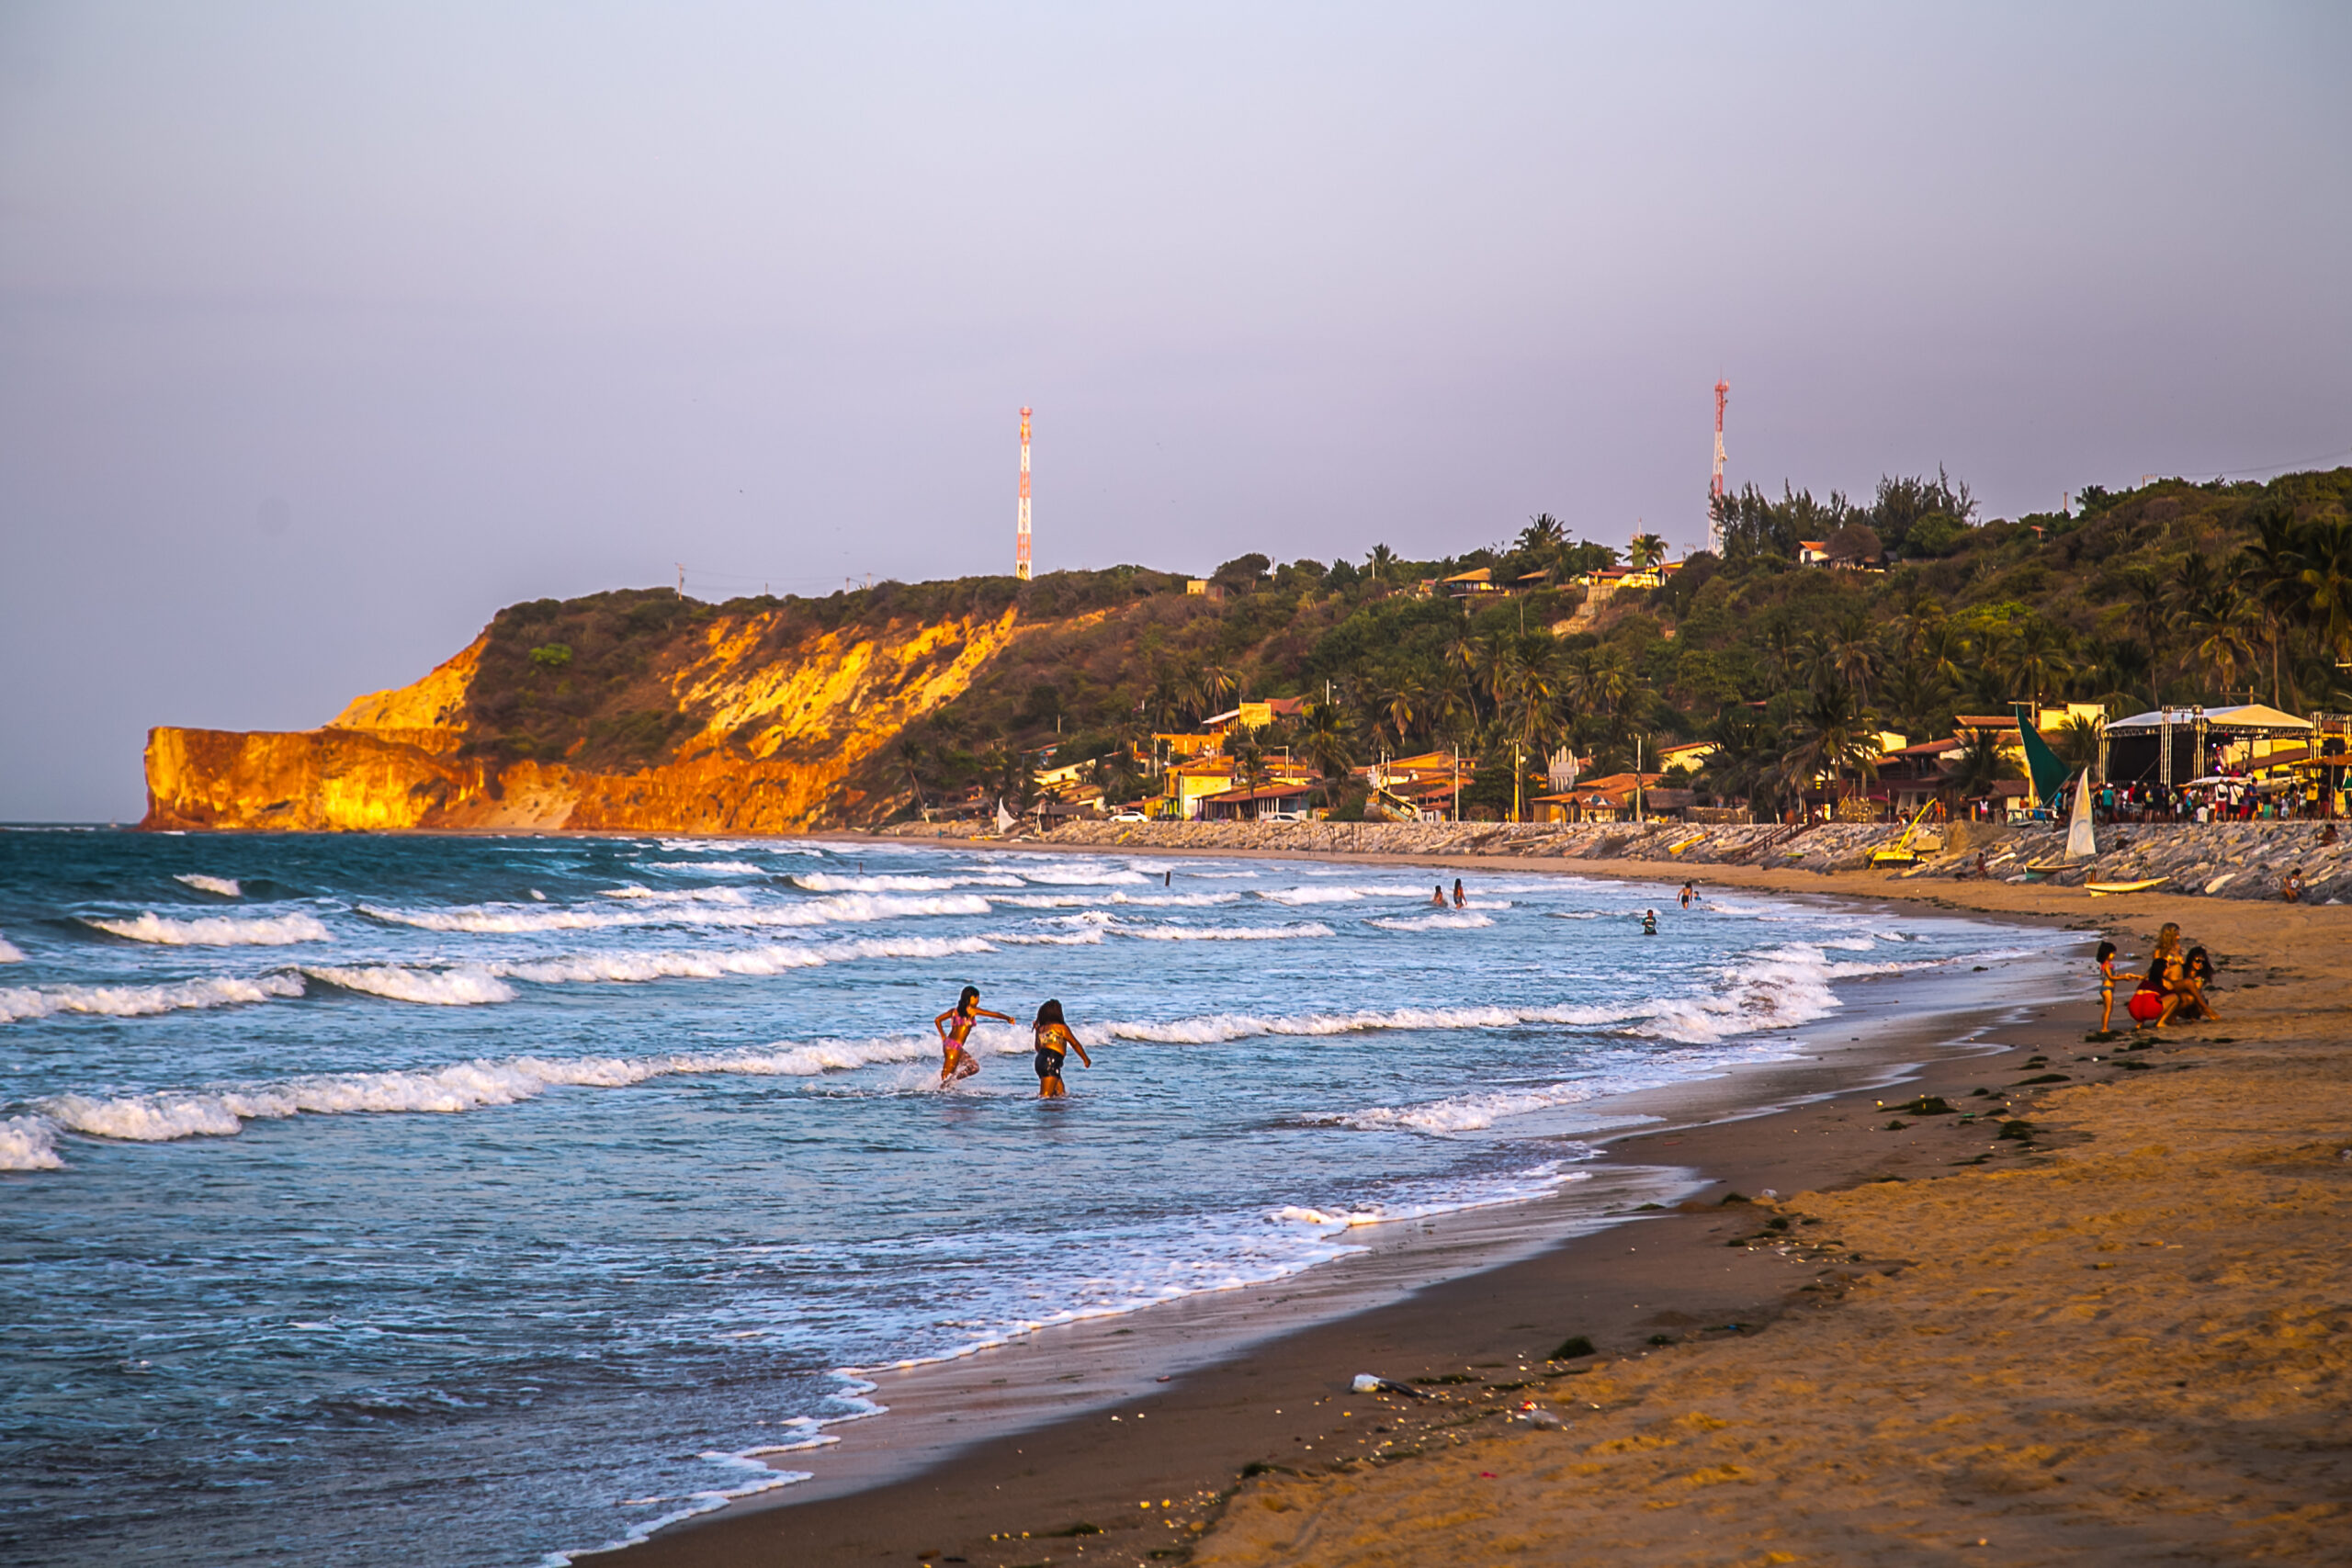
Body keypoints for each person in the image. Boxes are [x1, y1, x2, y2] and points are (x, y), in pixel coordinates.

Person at [934, 985, 1013, 1085]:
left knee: (973, 1067)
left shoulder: (954, 1011)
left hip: (950, 1045)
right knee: (946, 1076)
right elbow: (993, 1014)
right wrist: (1008, 1018)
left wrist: (943, 1036)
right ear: (971, 998)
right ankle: (939, 1094)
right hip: (954, 1048)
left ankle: (950, 1084)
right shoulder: (972, 1010)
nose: (978, 1001)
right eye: (977, 998)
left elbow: (937, 1020)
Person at [1029, 998, 1091, 1098]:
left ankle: (1055, 1113)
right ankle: (1038, 1112)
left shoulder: (1042, 1029)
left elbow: (1038, 1048)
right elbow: (1075, 1044)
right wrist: (1085, 1059)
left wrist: (1037, 1031)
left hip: (1040, 1061)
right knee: (1045, 1096)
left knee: (1060, 1095)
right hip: (1051, 1061)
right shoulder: (1061, 1028)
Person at [2177, 946, 2222, 1022]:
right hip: (2183, 999)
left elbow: (2197, 989)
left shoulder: (2201, 975)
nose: (2200, 963)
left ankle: (2198, 1014)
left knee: (2192, 997)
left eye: (2202, 962)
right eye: (2197, 961)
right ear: (2191, 959)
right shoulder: (2182, 970)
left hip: (2195, 1003)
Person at [2094, 941, 2120, 1036]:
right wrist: (2124, 978)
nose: (2113, 955)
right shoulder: (2106, 965)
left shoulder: (2108, 965)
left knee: (2107, 1008)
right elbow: (2111, 977)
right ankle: (2104, 1028)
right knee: (2108, 1009)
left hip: (2108, 988)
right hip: (2107, 988)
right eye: (2112, 953)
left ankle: (2104, 1027)